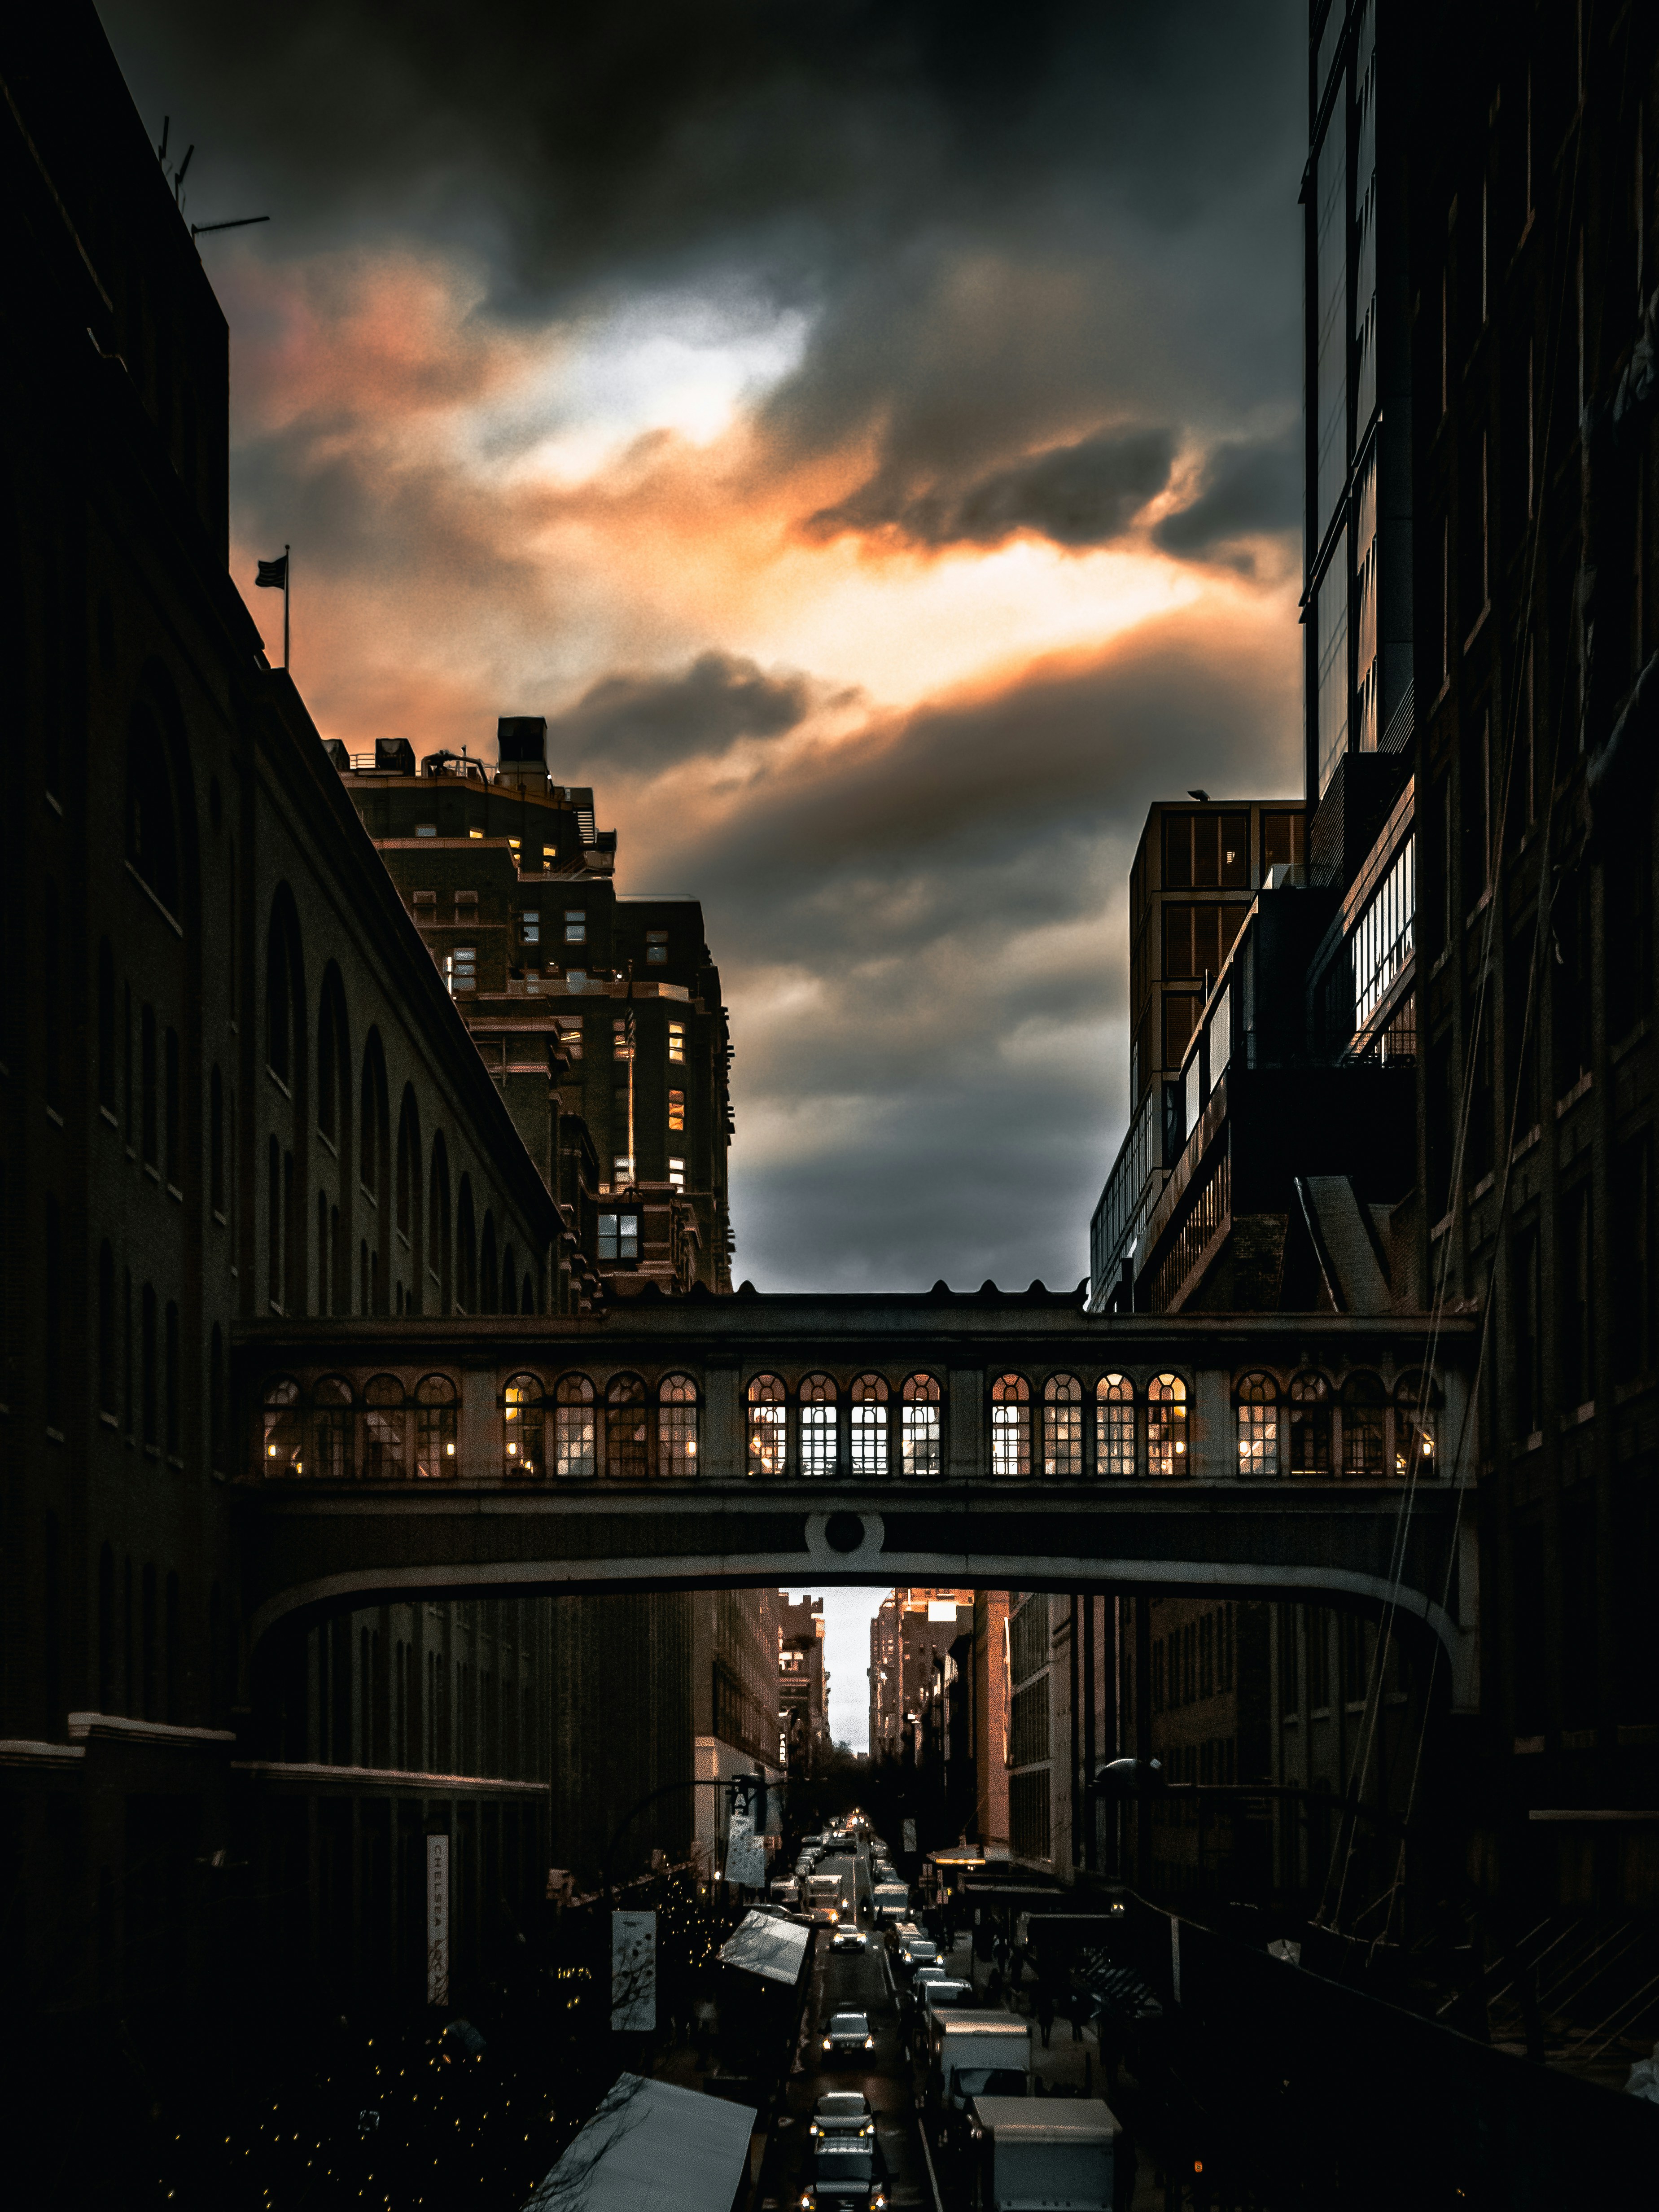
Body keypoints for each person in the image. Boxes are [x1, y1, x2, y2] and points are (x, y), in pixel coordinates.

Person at [1037, 1985, 1056, 2049]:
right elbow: (1053, 2009)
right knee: (1048, 2029)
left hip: (1043, 2014)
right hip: (1049, 2015)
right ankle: (1047, 2041)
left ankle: (1044, 2040)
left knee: (1043, 2028)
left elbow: (1039, 2008)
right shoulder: (1050, 1999)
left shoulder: (1041, 1998)